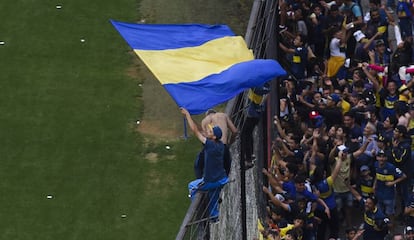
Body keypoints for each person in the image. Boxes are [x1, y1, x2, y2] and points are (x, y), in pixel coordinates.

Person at [181, 107, 228, 220]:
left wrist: (187, 114)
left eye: (210, 132)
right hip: (222, 179)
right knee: (213, 196)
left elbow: (195, 131)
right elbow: (202, 132)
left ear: (214, 137)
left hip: (212, 180)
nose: (208, 132)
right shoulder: (220, 145)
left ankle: (198, 210)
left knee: (192, 186)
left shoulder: (210, 145)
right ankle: (214, 217)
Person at [192, 109, 238, 178]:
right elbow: (235, 131)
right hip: (224, 146)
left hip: (211, 146)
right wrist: (230, 142)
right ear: (215, 112)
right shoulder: (223, 115)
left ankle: (200, 180)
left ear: (207, 114)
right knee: (227, 165)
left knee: (198, 165)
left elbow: (205, 139)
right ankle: (225, 179)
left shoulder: (204, 121)